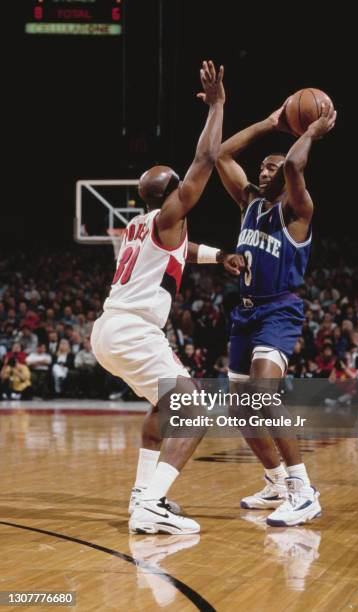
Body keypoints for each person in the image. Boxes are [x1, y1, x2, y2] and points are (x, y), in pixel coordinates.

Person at [92, 61, 236, 534]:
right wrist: (216, 106)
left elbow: (181, 252)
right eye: (182, 188)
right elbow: (205, 161)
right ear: (173, 195)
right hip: (134, 330)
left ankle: (143, 494)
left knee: (162, 408)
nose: (188, 190)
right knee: (194, 411)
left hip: (111, 329)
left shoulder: (142, 225)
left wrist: (219, 257)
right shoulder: (170, 215)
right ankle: (151, 504)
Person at [215, 96, 336, 526]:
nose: (265, 171)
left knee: (263, 397)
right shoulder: (249, 204)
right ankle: (276, 482)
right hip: (245, 315)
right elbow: (221, 154)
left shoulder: (297, 211)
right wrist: (269, 122)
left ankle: (304, 491)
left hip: (279, 311)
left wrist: (308, 133)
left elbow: (295, 168)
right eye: (262, 167)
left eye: (273, 168)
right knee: (241, 408)